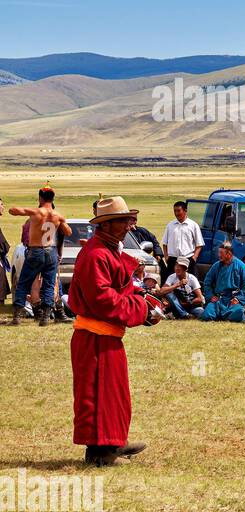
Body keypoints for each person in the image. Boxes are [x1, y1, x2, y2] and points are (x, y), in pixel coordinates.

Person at [68, 196, 160, 467]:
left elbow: (121, 287)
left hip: (107, 335)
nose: (129, 226)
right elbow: (103, 299)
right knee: (96, 395)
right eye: (123, 221)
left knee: (113, 394)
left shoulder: (108, 250)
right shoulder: (96, 254)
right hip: (94, 337)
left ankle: (113, 442)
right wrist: (140, 310)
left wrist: (143, 298)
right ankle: (101, 453)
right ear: (107, 225)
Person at [8, 185, 71, 325]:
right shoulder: (58, 215)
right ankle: (45, 318)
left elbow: (14, 210)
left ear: (40, 198)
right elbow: (68, 232)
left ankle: (17, 317)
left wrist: (13, 209)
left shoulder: (36, 212)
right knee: (49, 284)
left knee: (24, 283)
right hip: (51, 251)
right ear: (53, 198)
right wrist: (60, 223)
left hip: (36, 250)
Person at [201, 242, 245, 322]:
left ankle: (226, 315)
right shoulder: (216, 266)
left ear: (229, 253)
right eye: (219, 252)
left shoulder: (241, 266)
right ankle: (222, 315)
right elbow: (207, 282)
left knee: (237, 312)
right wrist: (211, 296)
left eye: (221, 253)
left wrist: (238, 298)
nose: (219, 255)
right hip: (219, 300)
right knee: (207, 315)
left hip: (232, 301)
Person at [161, 200, 204, 281]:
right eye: (175, 211)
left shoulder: (193, 225)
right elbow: (164, 243)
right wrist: (166, 257)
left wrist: (194, 258)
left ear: (185, 211)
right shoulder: (170, 225)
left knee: (191, 283)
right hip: (173, 260)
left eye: (178, 211)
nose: (176, 213)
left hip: (188, 259)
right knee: (170, 284)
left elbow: (199, 244)